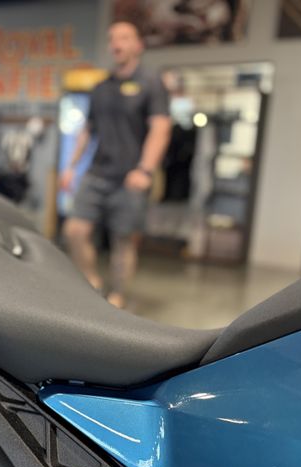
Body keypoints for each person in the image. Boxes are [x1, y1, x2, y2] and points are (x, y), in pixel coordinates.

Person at [60, 20, 171, 309]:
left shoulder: (151, 83)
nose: (116, 43)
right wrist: (70, 166)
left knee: (123, 240)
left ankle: (118, 296)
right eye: (112, 38)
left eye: (124, 37)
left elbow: (160, 128)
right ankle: (92, 283)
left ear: (138, 45)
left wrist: (145, 169)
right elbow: (87, 131)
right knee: (74, 230)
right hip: (97, 173)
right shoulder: (101, 87)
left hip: (130, 177)